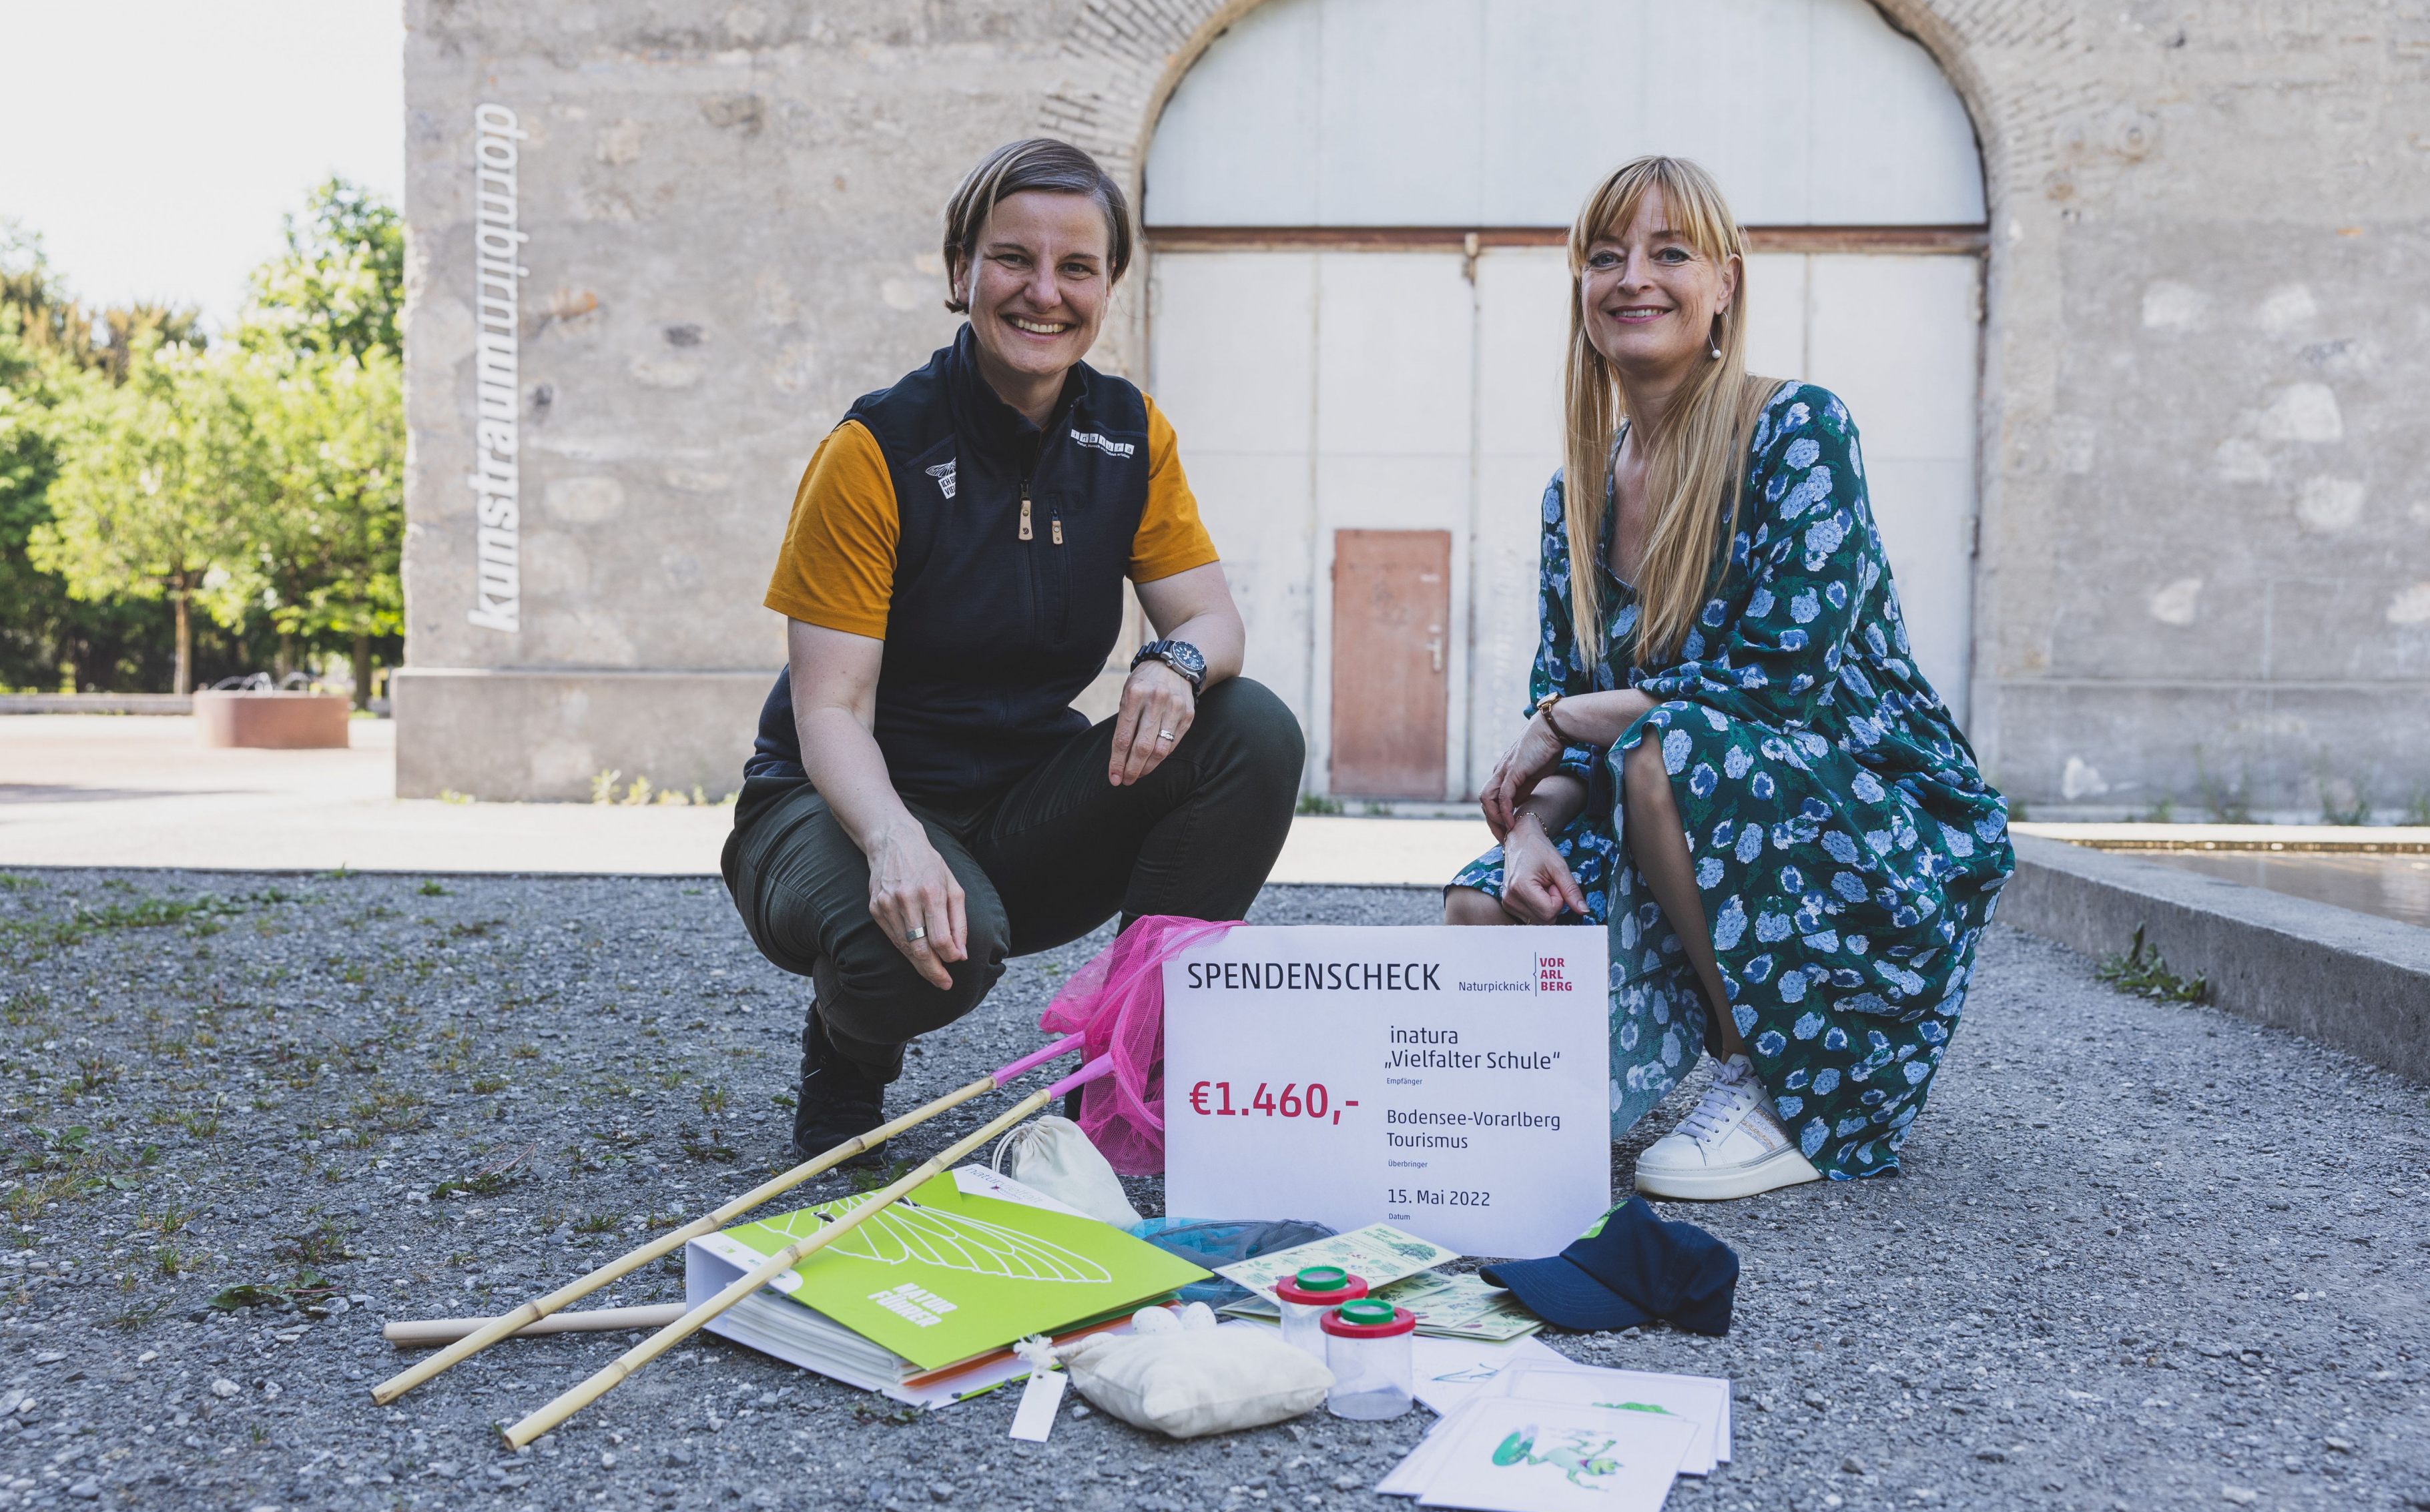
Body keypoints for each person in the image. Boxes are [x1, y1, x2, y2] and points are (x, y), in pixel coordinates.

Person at [725, 137, 1304, 1162]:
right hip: (837, 807)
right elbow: (830, 712)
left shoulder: (1129, 435)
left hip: (1017, 807)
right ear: (960, 273)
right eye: (1011, 260)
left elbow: (1212, 622)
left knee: (1247, 726)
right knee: (925, 954)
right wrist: (894, 843)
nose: (1045, 293)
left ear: (1108, 285)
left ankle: (1115, 1075)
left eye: (1077, 267)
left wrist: (1171, 664)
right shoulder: (874, 450)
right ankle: (847, 1055)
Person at [1446, 156, 2012, 1201]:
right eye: (1605, 256)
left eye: (1670, 253)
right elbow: (1573, 745)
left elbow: (1777, 681)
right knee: (1483, 912)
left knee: (1674, 746)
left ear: (1725, 284)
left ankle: (1774, 1086)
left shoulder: (1797, 428)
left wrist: (1561, 719)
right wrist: (1526, 829)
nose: (1633, 279)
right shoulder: (1570, 493)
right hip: (1688, 798)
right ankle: (1515, 1100)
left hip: (1858, 816)